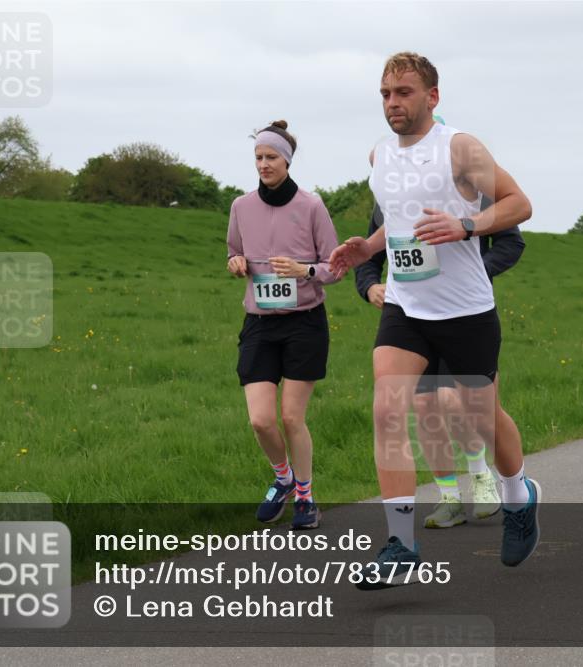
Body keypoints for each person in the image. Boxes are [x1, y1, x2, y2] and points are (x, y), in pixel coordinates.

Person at [330, 52, 539, 588]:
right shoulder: (380, 155)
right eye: (385, 94)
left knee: (483, 419)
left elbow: (519, 204)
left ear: (432, 97)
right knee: (386, 409)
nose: (392, 103)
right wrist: (366, 249)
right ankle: (401, 542)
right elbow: (398, 222)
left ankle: (519, 496)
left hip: (467, 310)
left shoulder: (460, 148)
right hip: (407, 306)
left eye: (403, 92)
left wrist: (467, 225)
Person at [354, 195, 525, 528]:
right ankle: (448, 498)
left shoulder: (467, 185)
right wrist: (369, 286)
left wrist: (475, 272)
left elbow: (511, 241)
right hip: (410, 314)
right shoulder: (389, 198)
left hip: (461, 311)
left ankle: (482, 477)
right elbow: (371, 254)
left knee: (463, 402)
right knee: (424, 405)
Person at [227, 120, 340, 530]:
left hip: (304, 323)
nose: (263, 164)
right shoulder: (241, 207)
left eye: (271, 157)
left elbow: (335, 266)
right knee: (260, 419)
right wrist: (235, 263)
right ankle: (283, 479)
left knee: (292, 417)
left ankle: (307, 498)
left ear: (287, 160)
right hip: (259, 324)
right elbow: (233, 251)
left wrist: (304, 269)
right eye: (258, 157)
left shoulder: (311, 206)